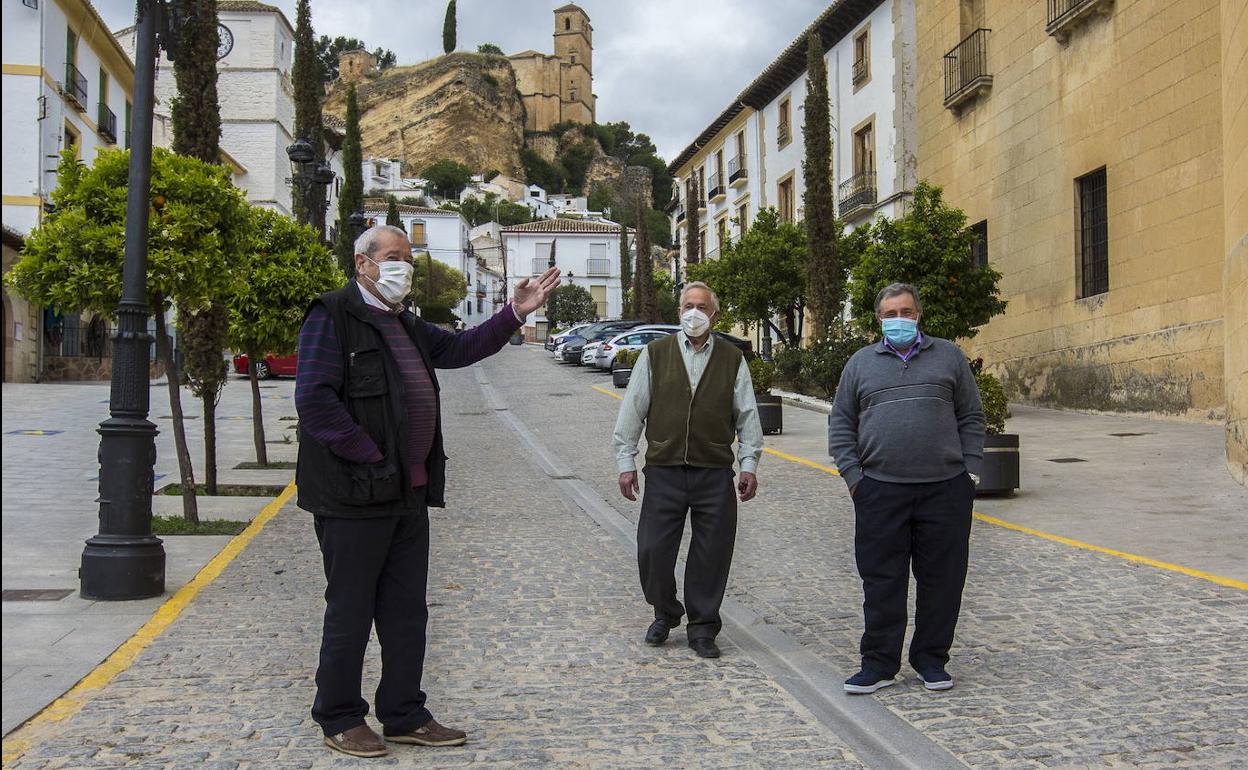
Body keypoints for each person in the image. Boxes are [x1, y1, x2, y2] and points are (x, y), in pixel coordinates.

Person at [295, 225, 559, 758]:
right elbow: (316, 402)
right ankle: (340, 716)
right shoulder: (332, 315)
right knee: (350, 609)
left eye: (410, 258)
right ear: (362, 262)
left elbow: (462, 347)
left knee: (406, 612)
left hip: (406, 496)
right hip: (353, 495)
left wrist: (515, 312)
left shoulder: (405, 324)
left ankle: (403, 713)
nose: (404, 267)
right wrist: (372, 455)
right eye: (394, 257)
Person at [827, 282, 985, 694]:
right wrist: (854, 478)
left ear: (920, 315)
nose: (900, 320)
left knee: (943, 580)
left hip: (945, 490)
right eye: (891, 314)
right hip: (879, 490)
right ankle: (878, 664)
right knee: (881, 581)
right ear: (878, 319)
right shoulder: (860, 364)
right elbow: (841, 423)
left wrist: (970, 472)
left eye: (907, 312)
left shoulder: (949, 356)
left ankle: (931, 660)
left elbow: (971, 416)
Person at [612, 282, 763, 659]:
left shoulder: (732, 359)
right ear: (679, 312)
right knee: (652, 550)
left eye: (701, 306)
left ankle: (703, 627)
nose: (693, 312)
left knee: (712, 553)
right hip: (663, 469)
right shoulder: (656, 353)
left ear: (714, 314)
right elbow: (633, 409)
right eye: (687, 306)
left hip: (713, 471)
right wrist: (625, 461)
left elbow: (747, 416)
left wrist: (749, 464)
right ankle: (665, 611)